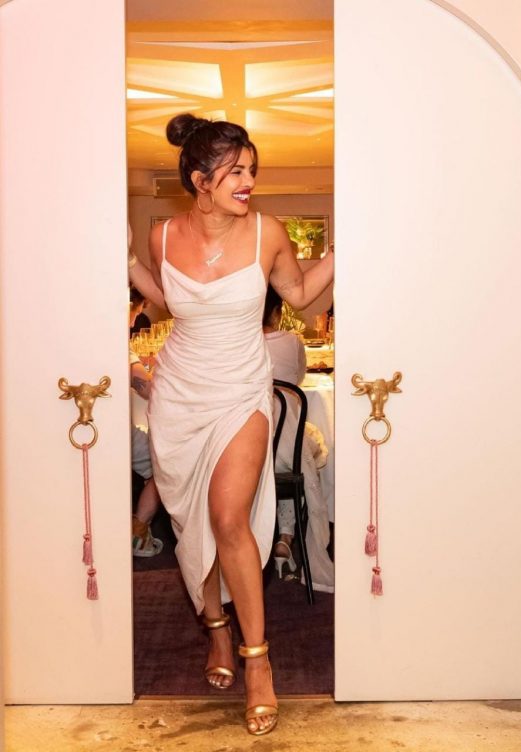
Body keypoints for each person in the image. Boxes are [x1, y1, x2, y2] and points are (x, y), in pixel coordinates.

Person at [145, 114, 334, 736]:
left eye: (252, 170)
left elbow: (299, 293)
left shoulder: (266, 232)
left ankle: (259, 662)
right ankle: (217, 632)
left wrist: (345, 251)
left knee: (228, 518)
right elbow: (165, 301)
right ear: (200, 181)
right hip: (179, 393)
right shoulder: (162, 234)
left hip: (241, 391)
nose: (248, 181)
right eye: (235, 172)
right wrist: (124, 264)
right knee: (190, 521)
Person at [263, 285, 334, 592]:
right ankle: (286, 537)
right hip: (285, 446)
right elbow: (299, 379)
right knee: (312, 449)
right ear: (277, 313)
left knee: (289, 453)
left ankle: (274, 536)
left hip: (248, 448)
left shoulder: (237, 346)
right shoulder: (292, 342)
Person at [129, 286, 163, 557]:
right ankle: (138, 532)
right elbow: (149, 390)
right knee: (167, 463)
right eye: (137, 310)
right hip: (120, 437)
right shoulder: (116, 345)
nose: (134, 321)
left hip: (110, 431)